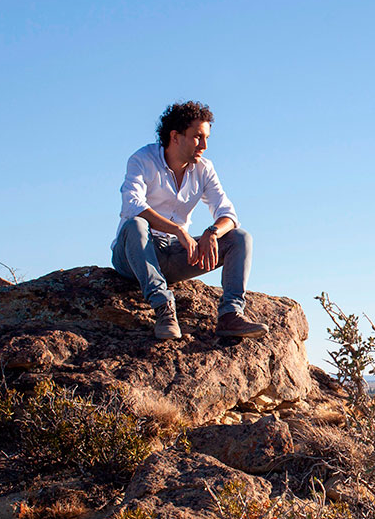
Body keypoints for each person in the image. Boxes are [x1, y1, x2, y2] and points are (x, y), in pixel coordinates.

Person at [110, 101, 270, 342]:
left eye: (206, 138)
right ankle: (164, 309)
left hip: (173, 255)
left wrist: (213, 232)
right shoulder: (143, 160)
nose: (204, 145)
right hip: (133, 255)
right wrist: (177, 230)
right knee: (136, 224)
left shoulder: (204, 169)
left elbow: (228, 213)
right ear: (175, 136)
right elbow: (132, 205)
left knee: (240, 238)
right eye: (197, 137)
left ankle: (230, 315)